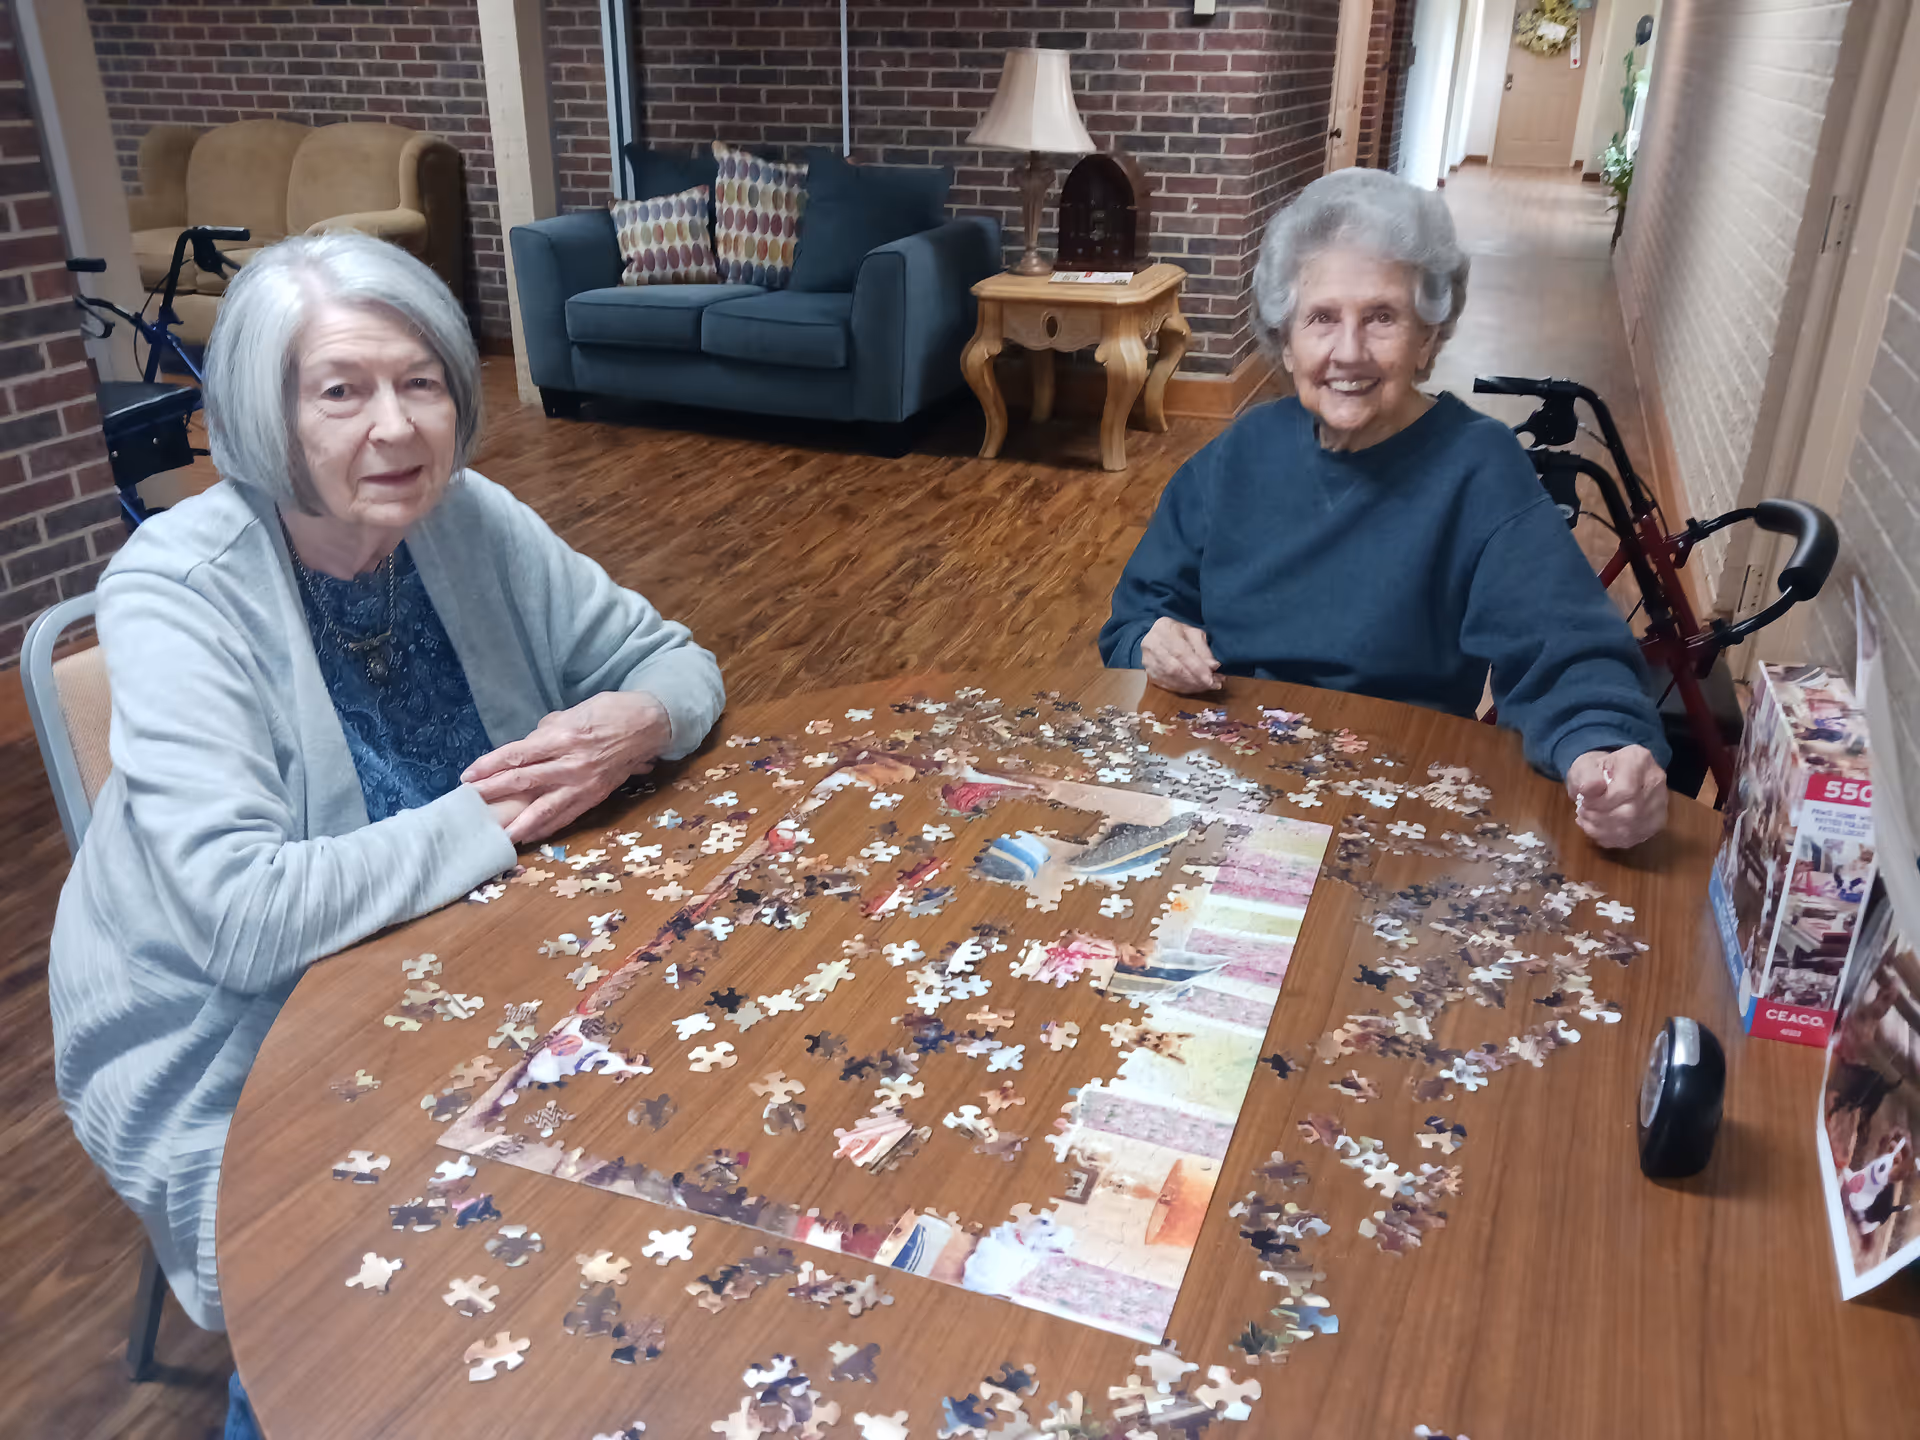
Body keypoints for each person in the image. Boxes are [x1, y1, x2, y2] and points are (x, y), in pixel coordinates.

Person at [48, 235, 725, 1382]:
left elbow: (677, 662)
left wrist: (634, 726)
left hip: (478, 959)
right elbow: (241, 917)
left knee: (673, 1172)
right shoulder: (173, 588)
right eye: (342, 391)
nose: (397, 427)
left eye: (420, 382)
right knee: (383, 1327)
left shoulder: (467, 516)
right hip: (234, 1041)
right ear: (269, 417)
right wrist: (510, 817)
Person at [1098, 167, 1669, 849]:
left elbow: (1566, 646)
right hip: (1219, 783)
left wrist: (1599, 750)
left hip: (1384, 802)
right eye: (1321, 318)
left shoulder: (1477, 468)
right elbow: (1136, 615)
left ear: (1430, 336)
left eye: (1382, 317)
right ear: (1285, 338)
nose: (1349, 352)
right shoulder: (1243, 450)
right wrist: (1153, 641)